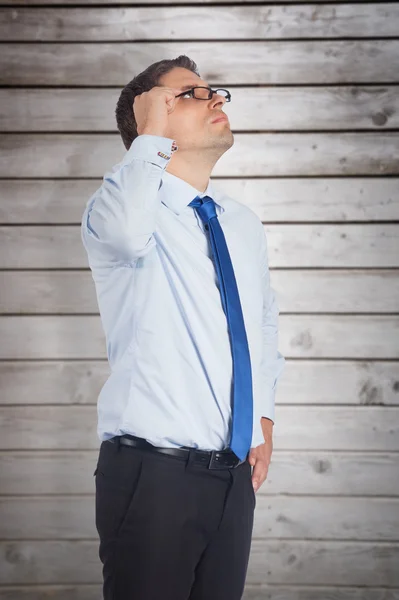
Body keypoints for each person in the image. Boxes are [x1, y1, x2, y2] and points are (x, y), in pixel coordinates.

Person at [80, 54, 285, 600]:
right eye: (193, 94)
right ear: (153, 116)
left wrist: (260, 411)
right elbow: (124, 236)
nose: (216, 98)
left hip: (233, 480)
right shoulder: (119, 210)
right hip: (153, 479)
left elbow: (261, 323)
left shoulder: (239, 222)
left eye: (215, 90)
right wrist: (148, 132)